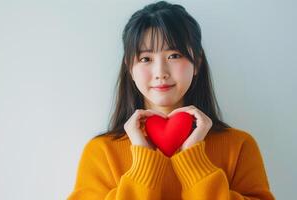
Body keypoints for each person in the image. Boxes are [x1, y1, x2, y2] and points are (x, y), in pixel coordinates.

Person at [67, 1, 275, 199]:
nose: (160, 72)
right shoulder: (102, 151)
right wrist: (143, 163)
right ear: (129, 67)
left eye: (174, 55)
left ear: (198, 62)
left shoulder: (238, 145)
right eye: (145, 59)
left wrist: (195, 163)